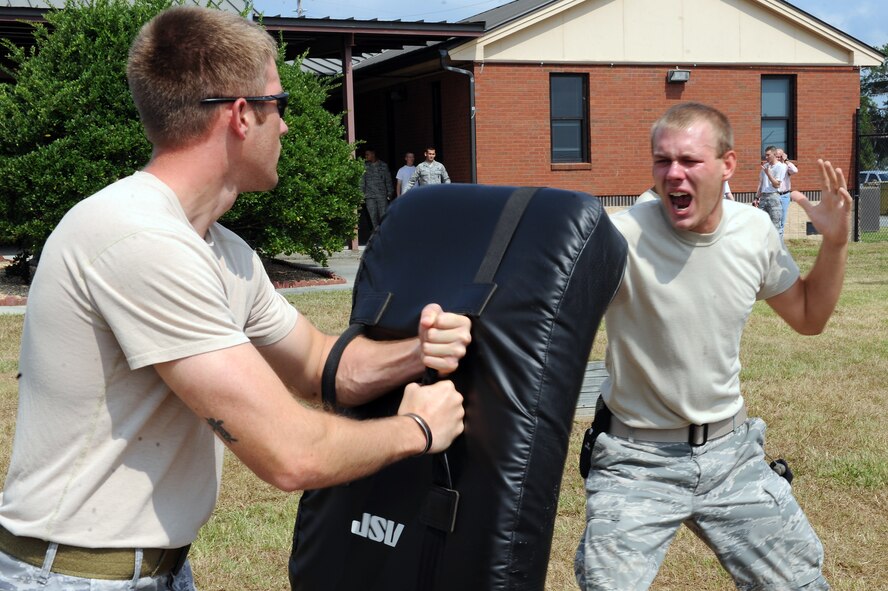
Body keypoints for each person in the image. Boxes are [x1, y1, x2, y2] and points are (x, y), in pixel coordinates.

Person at [0, 7, 471, 591]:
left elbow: (326, 367)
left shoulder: (220, 249)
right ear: (242, 115)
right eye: (283, 106)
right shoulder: (138, 239)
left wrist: (418, 351)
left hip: (158, 568)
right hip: (76, 576)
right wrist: (417, 430)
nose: (288, 127)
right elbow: (291, 455)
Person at [575, 102, 851, 591]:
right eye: (663, 161)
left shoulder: (753, 231)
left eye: (689, 161)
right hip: (636, 459)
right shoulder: (618, 236)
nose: (673, 174)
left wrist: (834, 246)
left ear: (728, 165)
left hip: (731, 454)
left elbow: (809, 317)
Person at [754, 145, 787, 230]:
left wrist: (768, 173)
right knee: (761, 224)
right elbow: (761, 184)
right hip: (763, 197)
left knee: (775, 226)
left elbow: (776, 185)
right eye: (766, 155)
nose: (766, 157)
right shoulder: (765, 166)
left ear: (775, 154)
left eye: (768, 155)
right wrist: (756, 197)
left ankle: (775, 243)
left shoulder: (781, 167)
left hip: (774, 196)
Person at [361, 147, 394, 231]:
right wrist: (361, 194)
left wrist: (390, 193)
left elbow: (388, 180)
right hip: (370, 196)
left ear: (373, 154)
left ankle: (384, 233)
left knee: (384, 216)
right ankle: (376, 234)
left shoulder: (383, 165)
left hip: (382, 195)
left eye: (367, 154)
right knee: (373, 216)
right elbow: (362, 182)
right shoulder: (364, 166)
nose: (366, 156)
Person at [776, 148, 799, 238]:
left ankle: (779, 242)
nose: (778, 158)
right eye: (776, 156)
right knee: (775, 218)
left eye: (780, 156)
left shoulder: (786, 166)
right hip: (775, 195)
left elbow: (795, 170)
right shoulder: (772, 166)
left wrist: (786, 160)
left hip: (785, 195)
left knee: (782, 219)